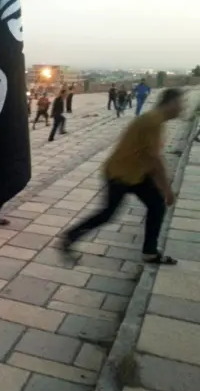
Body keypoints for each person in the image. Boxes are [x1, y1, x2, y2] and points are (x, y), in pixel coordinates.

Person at [61, 88, 184, 265]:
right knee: (108, 214)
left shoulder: (155, 120)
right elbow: (156, 159)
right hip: (120, 174)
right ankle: (70, 236)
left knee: (156, 206)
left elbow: (149, 156)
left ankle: (150, 252)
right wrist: (167, 190)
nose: (182, 108)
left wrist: (160, 186)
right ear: (171, 103)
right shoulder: (153, 121)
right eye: (180, 103)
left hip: (135, 174)